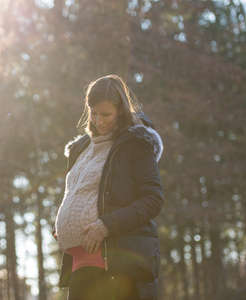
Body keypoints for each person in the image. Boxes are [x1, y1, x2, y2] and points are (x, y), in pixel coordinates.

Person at [52, 74, 164, 300]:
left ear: (121, 112)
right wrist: (63, 225)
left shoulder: (135, 144)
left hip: (116, 265)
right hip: (80, 265)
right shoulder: (80, 149)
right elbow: (77, 193)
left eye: (106, 114)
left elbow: (153, 200)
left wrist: (105, 225)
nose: (99, 120)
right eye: (94, 113)